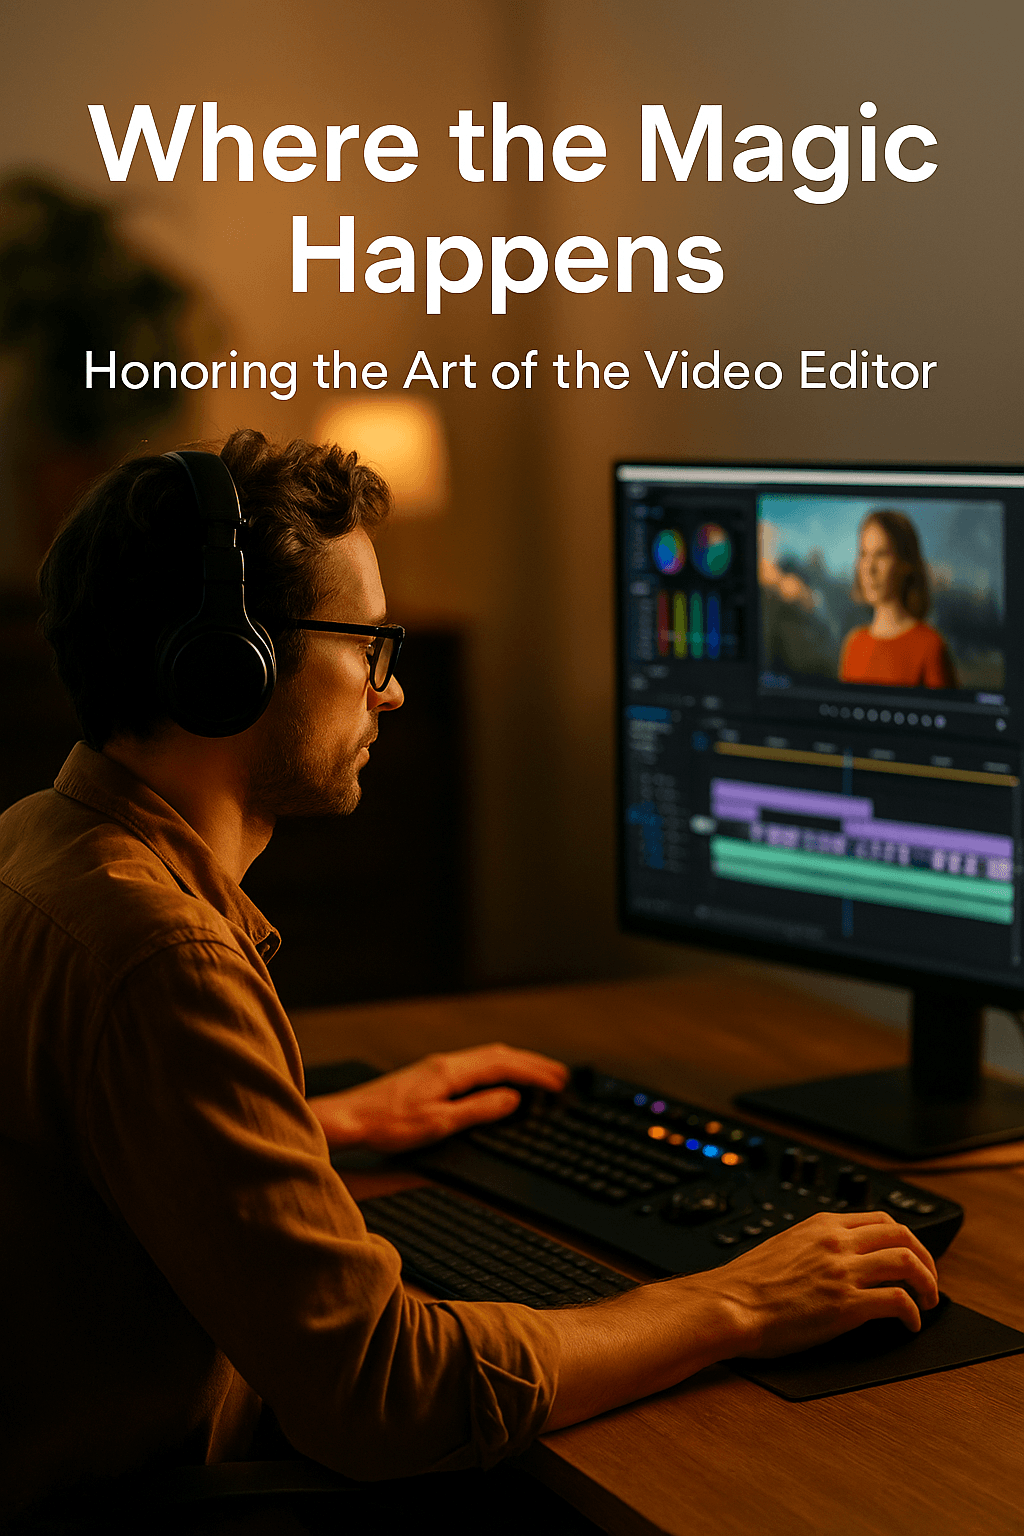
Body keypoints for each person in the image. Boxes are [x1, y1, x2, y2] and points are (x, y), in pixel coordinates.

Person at [0, 431, 940, 1523]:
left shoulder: (39, 847)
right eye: (368, 646)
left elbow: (84, 1146)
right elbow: (384, 1393)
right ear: (229, 662)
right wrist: (736, 1298)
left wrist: (310, 1125)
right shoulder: (163, 955)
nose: (389, 695)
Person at [839, 510, 957, 687]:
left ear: (905, 563)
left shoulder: (930, 646)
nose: (870, 568)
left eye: (881, 554)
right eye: (863, 554)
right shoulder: (854, 644)